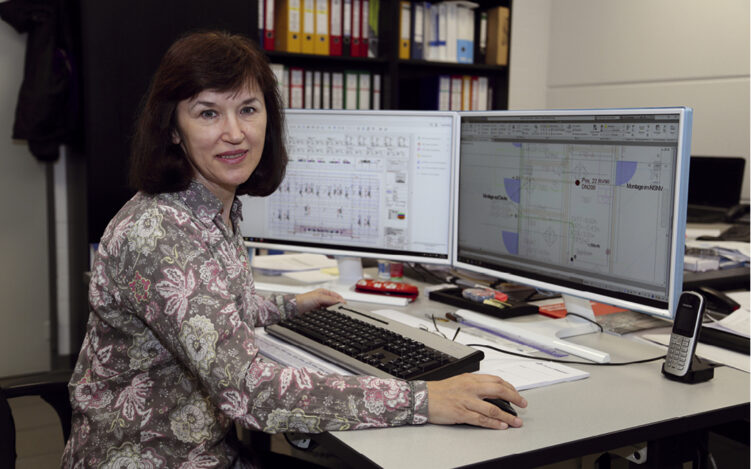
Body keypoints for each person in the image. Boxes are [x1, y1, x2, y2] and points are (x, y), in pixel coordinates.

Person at [61, 30, 527, 468]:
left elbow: (214, 309)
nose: (235, 132)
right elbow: (251, 392)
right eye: (208, 113)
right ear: (173, 129)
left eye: (248, 109)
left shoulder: (209, 207)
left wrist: (289, 307)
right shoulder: (161, 233)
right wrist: (424, 399)